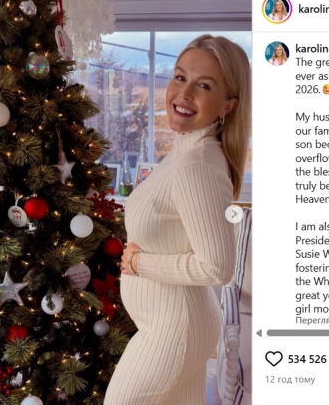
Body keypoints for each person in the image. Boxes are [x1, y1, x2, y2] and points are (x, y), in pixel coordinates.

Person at [104, 34, 251, 405]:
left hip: (174, 329)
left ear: (228, 105)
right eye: (180, 77)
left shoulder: (196, 164)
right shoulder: (185, 151)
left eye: (204, 85)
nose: (183, 93)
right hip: (173, 324)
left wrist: (140, 263)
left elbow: (217, 267)